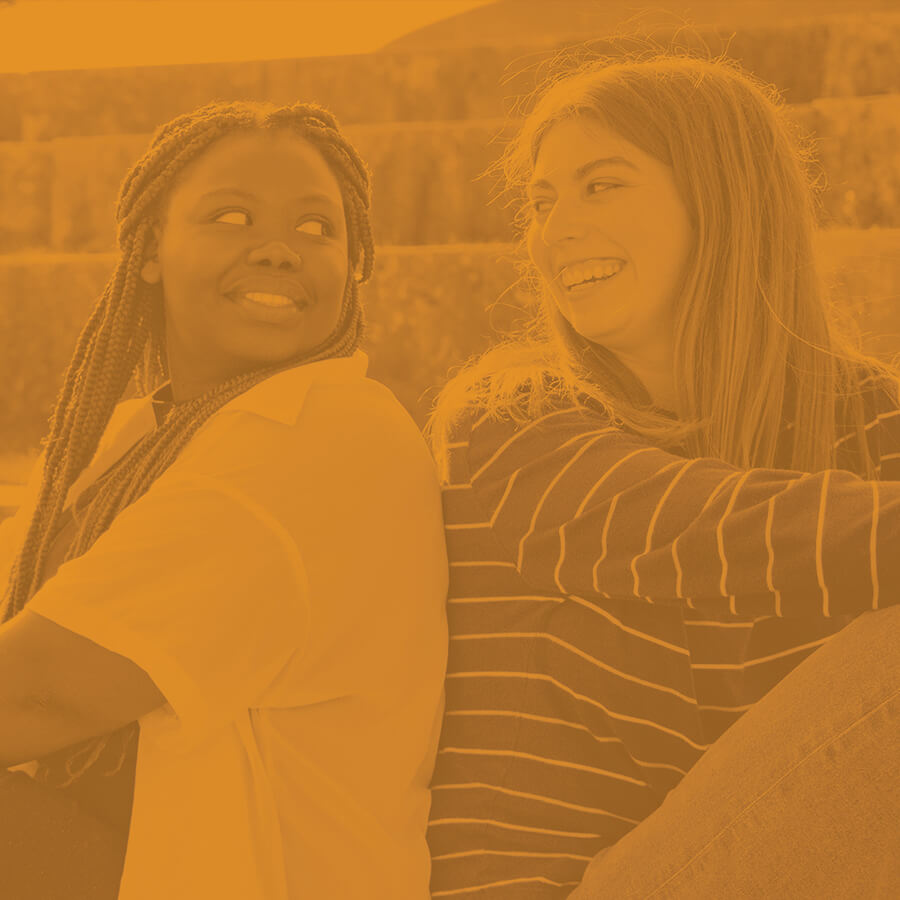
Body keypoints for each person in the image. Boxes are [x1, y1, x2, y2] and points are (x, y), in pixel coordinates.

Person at [425, 54, 900, 898]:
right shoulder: (510, 416)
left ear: (724, 199)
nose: (555, 229)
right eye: (541, 202)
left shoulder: (872, 418)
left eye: (601, 185)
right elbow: (709, 533)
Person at [0, 100, 448, 900]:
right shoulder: (149, 432)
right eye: (231, 216)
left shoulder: (323, 433)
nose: (279, 250)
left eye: (319, 230)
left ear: (354, 268)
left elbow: (40, 689)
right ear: (149, 251)